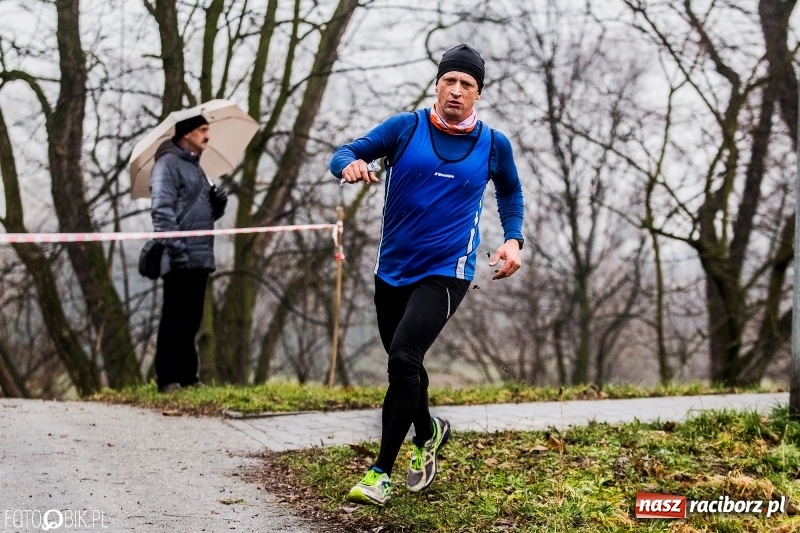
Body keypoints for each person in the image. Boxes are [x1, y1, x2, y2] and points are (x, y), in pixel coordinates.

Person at [329, 44, 524, 506]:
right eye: (450, 81)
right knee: (407, 365)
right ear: (438, 85)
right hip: (392, 269)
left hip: (447, 269)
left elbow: (511, 193)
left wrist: (514, 239)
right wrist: (351, 165)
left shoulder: (494, 144)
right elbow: (345, 151)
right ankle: (429, 431)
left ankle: (381, 472)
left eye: (467, 85)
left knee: (402, 357)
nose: (457, 91)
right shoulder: (404, 128)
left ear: (478, 93)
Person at [150, 114, 228, 393]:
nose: (207, 135)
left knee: (192, 319)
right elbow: (162, 210)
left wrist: (218, 205)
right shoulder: (167, 164)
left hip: (200, 255)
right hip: (179, 254)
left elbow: (202, 214)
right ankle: (167, 379)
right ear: (186, 134)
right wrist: (177, 249)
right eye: (202, 130)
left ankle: (188, 377)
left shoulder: (196, 167)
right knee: (174, 317)